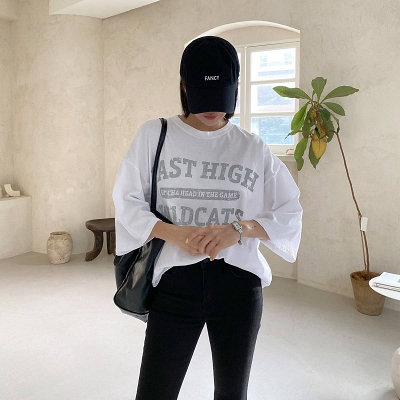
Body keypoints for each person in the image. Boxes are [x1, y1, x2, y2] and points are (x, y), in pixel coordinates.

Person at [112, 36, 303, 400]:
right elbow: (126, 199)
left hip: (239, 286)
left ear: (235, 90)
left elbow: (289, 210)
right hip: (174, 283)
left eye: (221, 97)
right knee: (155, 392)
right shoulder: (155, 134)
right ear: (184, 87)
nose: (212, 109)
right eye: (202, 95)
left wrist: (239, 229)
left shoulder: (252, 146)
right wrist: (174, 233)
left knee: (232, 393)